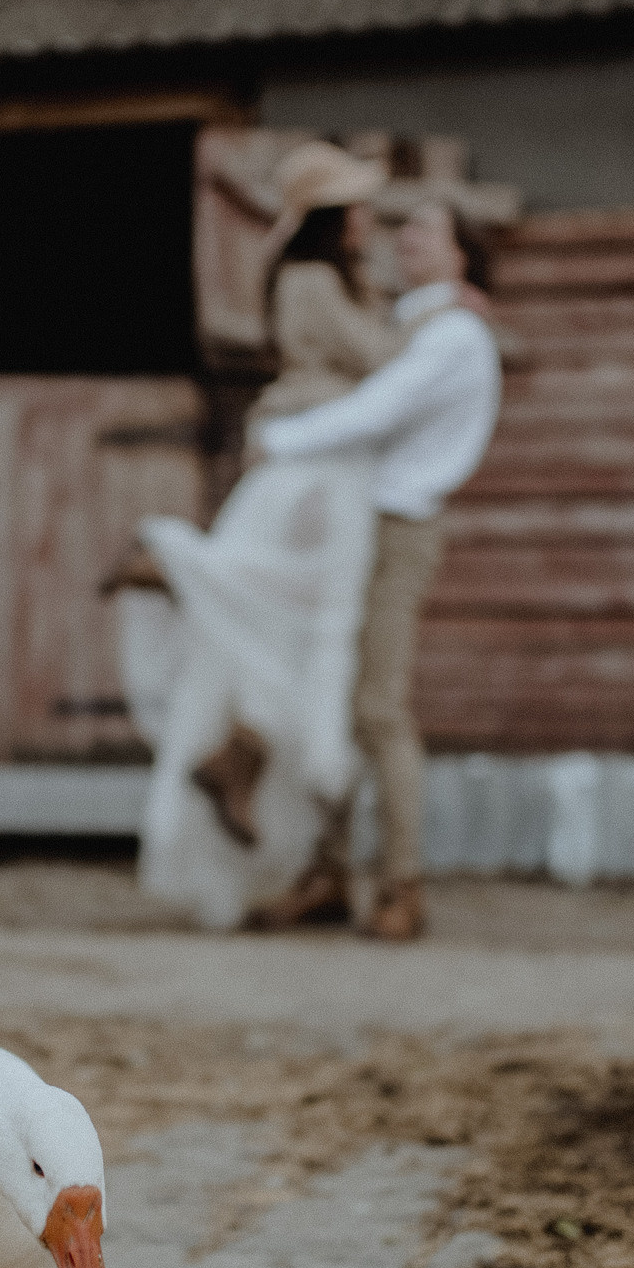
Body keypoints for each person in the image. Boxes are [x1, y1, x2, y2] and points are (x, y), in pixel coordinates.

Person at [112, 142, 407, 930]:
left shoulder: (310, 277)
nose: (368, 220)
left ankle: (235, 757)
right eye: (358, 207)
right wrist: (437, 317)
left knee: (277, 630)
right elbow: (379, 360)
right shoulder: (314, 280)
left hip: (308, 457)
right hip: (319, 465)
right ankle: (178, 558)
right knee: (306, 624)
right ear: (333, 216)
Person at [245, 199, 502, 941]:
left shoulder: (453, 334)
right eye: (403, 227)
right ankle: (327, 874)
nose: (406, 238)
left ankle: (402, 883)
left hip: (398, 527)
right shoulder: (408, 322)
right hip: (354, 519)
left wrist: (279, 440)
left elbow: (379, 409)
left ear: (461, 254)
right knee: (327, 693)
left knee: (378, 707)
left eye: (425, 229)